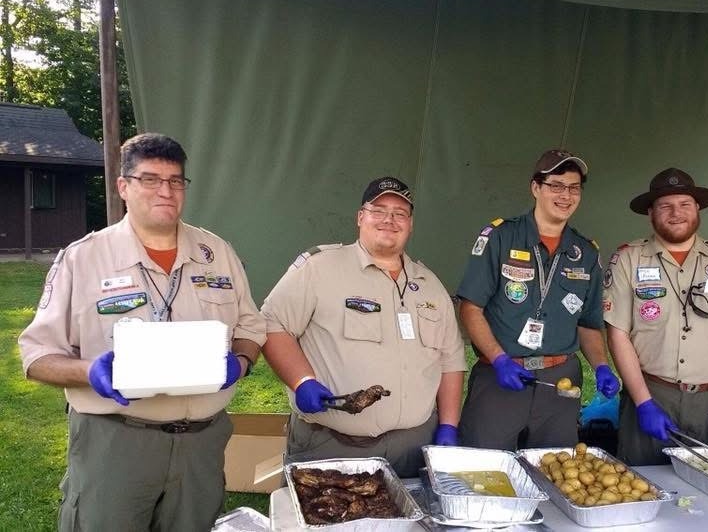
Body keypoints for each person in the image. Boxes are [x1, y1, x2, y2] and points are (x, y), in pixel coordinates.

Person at [18, 133, 266, 531]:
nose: (165, 191)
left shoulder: (216, 252)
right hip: (116, 442)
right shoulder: (84, 258)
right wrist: (89, 371)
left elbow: (252, 324)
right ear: (123, 187)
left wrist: (240, 360)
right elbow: (36, 356)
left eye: (175, 180)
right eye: (150, 179)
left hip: (200, 444)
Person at [260, 177, 466, 478]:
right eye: (378, 210)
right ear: (360, 217)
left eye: (400, 213)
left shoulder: (429, 284)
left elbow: (450, 360)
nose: (389, 220)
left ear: (410, 224)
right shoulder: (319, 267)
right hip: (330, 445)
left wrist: (448, 425)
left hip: (411, 449)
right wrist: (301, 381)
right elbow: (273, 323)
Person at [456, 149, 620, 450]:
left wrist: (601, 367)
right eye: (556, 186)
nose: (565, 195)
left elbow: (589, 324)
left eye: (573, 188)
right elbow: (470, 308)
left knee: (554, 472)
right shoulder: (501, 237)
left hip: (559, 384)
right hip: (501, 376)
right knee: (485, 469)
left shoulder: (586, 252)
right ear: (536, 188)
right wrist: (499, 359)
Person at [603, 168, 708, 465]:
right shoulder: (629, 259)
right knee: (643, 490)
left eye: (684, 204)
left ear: (697, 208)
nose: (676, 213)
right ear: (650, 212)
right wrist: (643, 402)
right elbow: (618, 334)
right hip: (653, 394)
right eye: (665, 206)